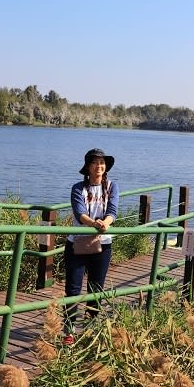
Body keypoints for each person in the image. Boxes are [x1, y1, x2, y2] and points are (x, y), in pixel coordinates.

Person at [62, 148, 119, 345]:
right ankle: (68, 332)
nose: (99, 166)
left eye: (102, 163)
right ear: (87, 167)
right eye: (95, 163)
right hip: (77, 244)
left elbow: (113, 210)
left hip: (102, 245)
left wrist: (107, 223)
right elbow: (80, 213)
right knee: (73, 289)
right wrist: (95, 223)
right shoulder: (78, 188)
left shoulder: (111, 186)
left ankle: (90, 331)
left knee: (96, 289)